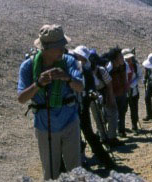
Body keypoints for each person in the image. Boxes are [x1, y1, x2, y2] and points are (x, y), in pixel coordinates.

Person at [17, 24, 84, 180]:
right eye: (59, 46)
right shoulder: (28, 66)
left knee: (76, 170)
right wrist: (38, 84)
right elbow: (21, 98)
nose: (63, 49)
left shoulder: (69, 61)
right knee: (50, 172)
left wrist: (67, 78)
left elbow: (80, 87)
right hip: (44, 126)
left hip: (69, 122)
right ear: (46, 48)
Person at [70, 46, 113, 169]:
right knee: (75, 135)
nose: (79, 59)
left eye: (81, 58)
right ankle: (80, 160)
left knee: (88, 133)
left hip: (82, 106)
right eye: (78, 57)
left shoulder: (86, 71)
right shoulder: (70, 68)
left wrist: (91, 94)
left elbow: (91, 87)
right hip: (71, 106)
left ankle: (104, 160)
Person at [105, 47, 129, 144]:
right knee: (111, 115)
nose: (123, 58)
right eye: (120, 57)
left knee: (122, 112)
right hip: (112, 95)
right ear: (114, 59)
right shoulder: (109, 68)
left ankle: (121, 131)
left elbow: (125, 77)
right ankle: (109, 136)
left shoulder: (123, 65)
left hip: (122, 93)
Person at [120, 48, 140, 134]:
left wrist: (132, 84)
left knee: (134, 109)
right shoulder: (120, 67)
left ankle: (134, 126)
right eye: (127, 59)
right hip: (123, 93)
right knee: (122, 110)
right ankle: (121, 128)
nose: (129, 60)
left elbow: (140, 76)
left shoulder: (136, 66)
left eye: (130, 58)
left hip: (134, 92)